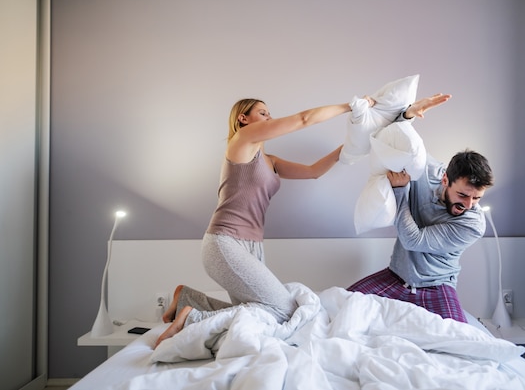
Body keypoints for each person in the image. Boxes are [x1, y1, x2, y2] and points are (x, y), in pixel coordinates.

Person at [155, 96, 374, 348]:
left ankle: (186, 300)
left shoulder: (270, 161)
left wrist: (351, 145)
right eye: (262, 113)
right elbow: (303, 119)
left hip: (252, 247)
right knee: (282, 311)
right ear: (243, 118)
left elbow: (313, 171)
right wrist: (352, 106)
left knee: (260, 314)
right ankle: (193, 317)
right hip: (225, 243)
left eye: (269, 113)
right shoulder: (242, 141)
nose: (269, 117)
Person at [347, 95, 494, 323]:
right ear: (445, 179)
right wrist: (408, 114)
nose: (468, 205)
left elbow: (413, 241)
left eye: (477, 198)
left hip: (437, 286)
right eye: (463, 195)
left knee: (459, 340)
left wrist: (399, 191)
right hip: (395, 277)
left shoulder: (473, 224)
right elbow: (394, 135)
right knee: (342, 305)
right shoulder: (425, 170)